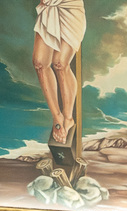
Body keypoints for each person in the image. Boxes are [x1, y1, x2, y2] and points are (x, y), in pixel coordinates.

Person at [33, 0, 86, 144]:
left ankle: (68, 117)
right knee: (39, 63)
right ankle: (57, 117)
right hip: (49, 9)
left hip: (70, 8)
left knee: (60, 64)